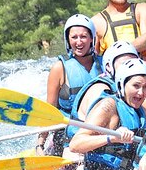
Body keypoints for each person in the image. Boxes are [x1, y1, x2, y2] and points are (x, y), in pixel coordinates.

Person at [69, 59, 146, 170]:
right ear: (122, 84)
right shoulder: (107, 106)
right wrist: (112, 137)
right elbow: (75, 144)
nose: (141, 92)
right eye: (136, 86)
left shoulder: (140, 110)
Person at [37, 14, 103, 156]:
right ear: (68, 40)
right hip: (68, 134)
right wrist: (40, 144)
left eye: (83, 36)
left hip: (101, 132)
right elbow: (49, 110)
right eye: (74, 37)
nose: (79, 42)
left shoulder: (106, 65)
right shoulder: (59, 68)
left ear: (92, 38)